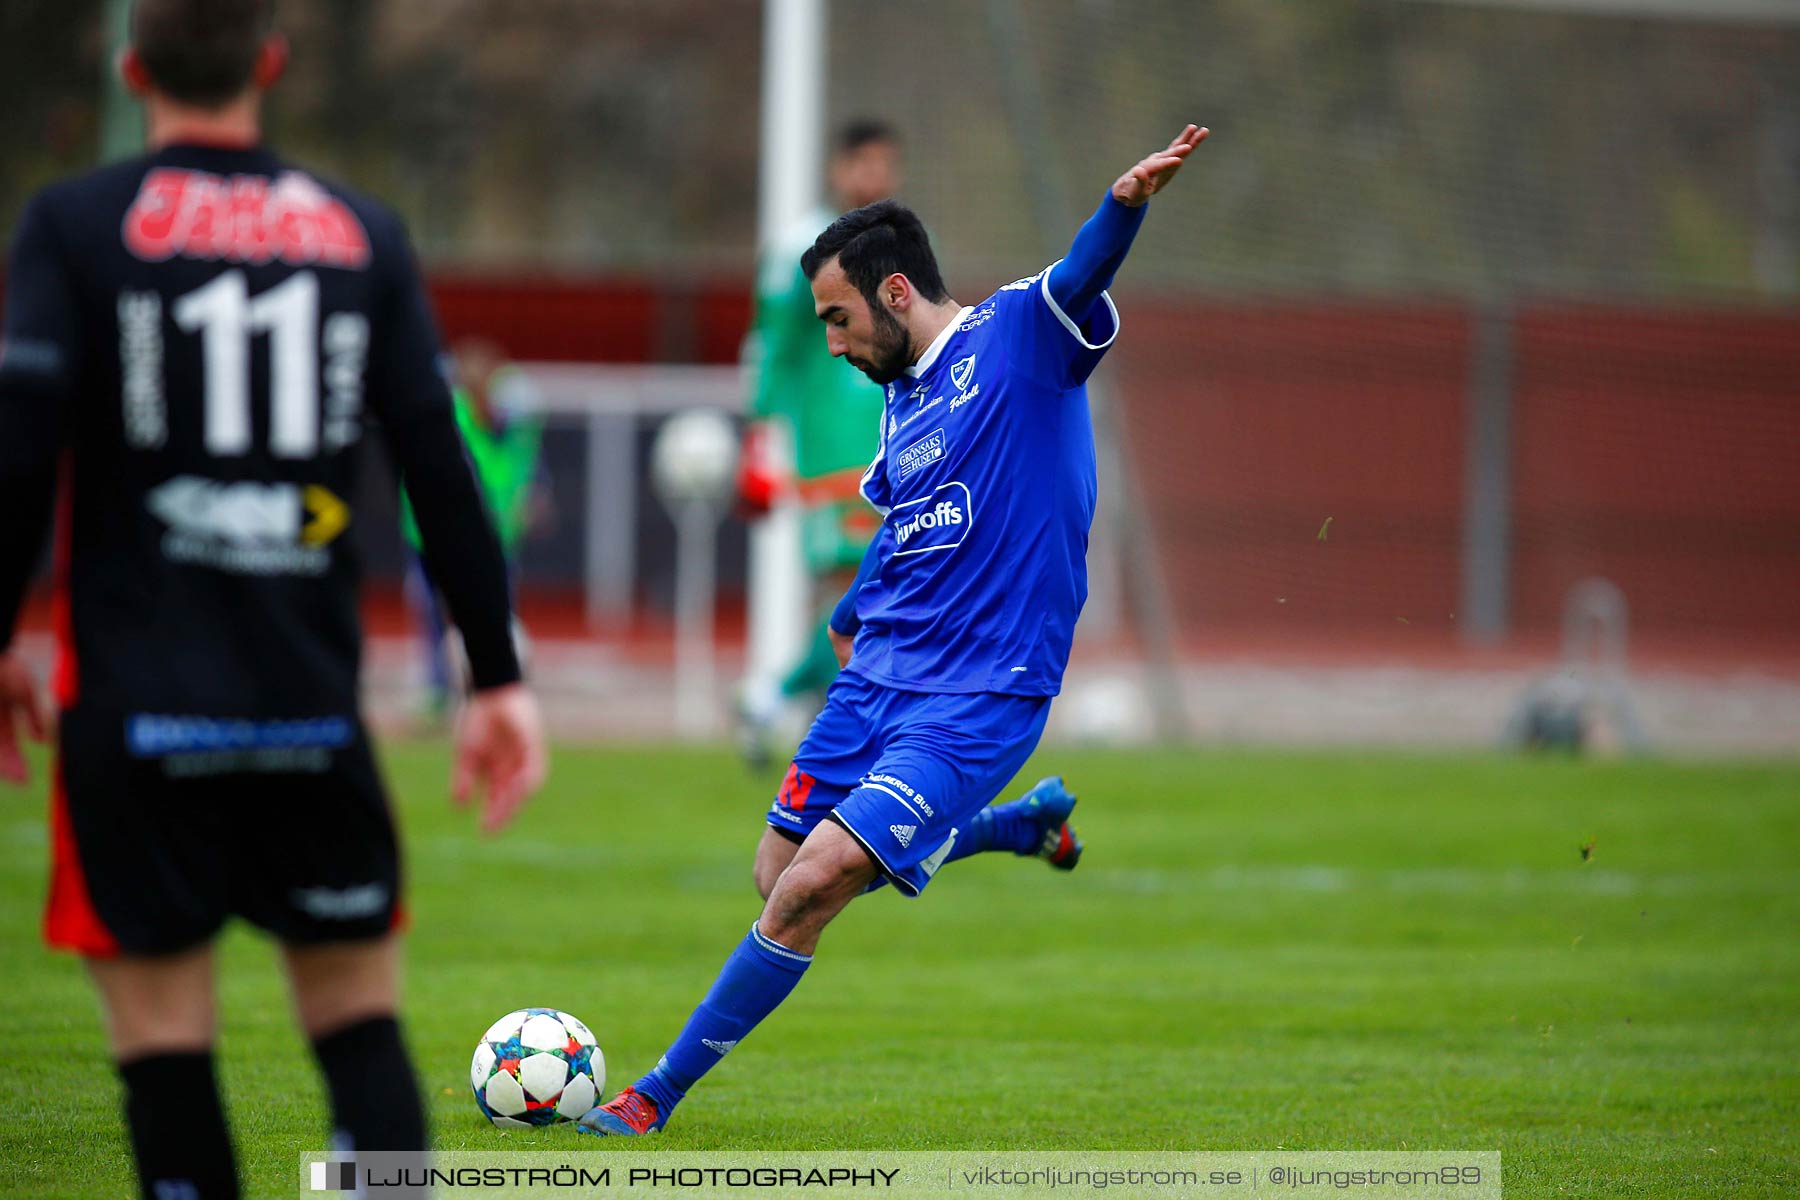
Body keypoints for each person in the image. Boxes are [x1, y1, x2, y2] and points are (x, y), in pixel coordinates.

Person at [0, 2, 547, 1196]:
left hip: (137, 713)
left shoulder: (77, 226)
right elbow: (439, 466)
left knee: (164, 1053)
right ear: (272, 63)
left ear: (130, 64)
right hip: (307, 710)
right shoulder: (360, 234)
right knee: (357, 1030)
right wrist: (497, 678)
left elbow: (20, 450)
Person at [580, 125, 1209, 1138]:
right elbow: (904, 530)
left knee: (811, 889)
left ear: (895, 294)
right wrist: (845, 617)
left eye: (835, 320)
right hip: (877, 677)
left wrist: (1124, 205)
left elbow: (1083, 273)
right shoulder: (902, 405)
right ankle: (1016, 824)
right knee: (775, 872)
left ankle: (653, 1095)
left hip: (982, 691)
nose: (830, 343)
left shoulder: (1018, 337)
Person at [736, 120, 901, 761]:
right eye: (862, 163)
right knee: (852, 584)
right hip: (829, 450)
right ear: (838, 169)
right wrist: (760, 432)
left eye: (885, 164)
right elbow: (772, 343)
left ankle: (780, 701)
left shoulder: (909, 245)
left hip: (896, 443)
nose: (874, 176)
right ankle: (801, 711)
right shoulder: (799, 246)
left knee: (884, 587)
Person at [401, 337, 545, 719]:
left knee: (494, 615)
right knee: (433, 617)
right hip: (433, 538)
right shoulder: (449, 419)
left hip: (495, 539)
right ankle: (440, 691)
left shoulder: (516, 420)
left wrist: (526, 500)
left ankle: (493, 687)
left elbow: (524, 470)